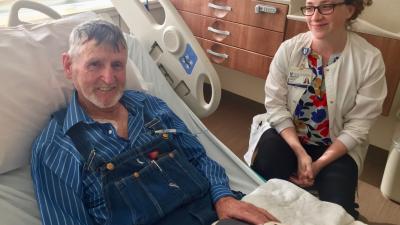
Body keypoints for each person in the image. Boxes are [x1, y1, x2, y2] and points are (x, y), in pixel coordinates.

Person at [31, 19, 277, 225]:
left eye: (117, 65)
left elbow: (199, 157)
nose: (108, 78)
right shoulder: (55, 148)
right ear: (68, 65)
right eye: (94, 64)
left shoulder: (151, 106)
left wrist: (224, 197)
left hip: (214, 214)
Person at [246, 0, 387, 219]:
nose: (315, 16)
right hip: (289, 137)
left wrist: (319, 164)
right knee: (262, 185)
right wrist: (300, 152)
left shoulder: (369, 60)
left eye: (326, 7)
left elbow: (359, 126)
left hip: (336, 147)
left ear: (349, 10)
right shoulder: (290, 49)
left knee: (339, 211)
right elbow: (275, 105)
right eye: (310, 7)